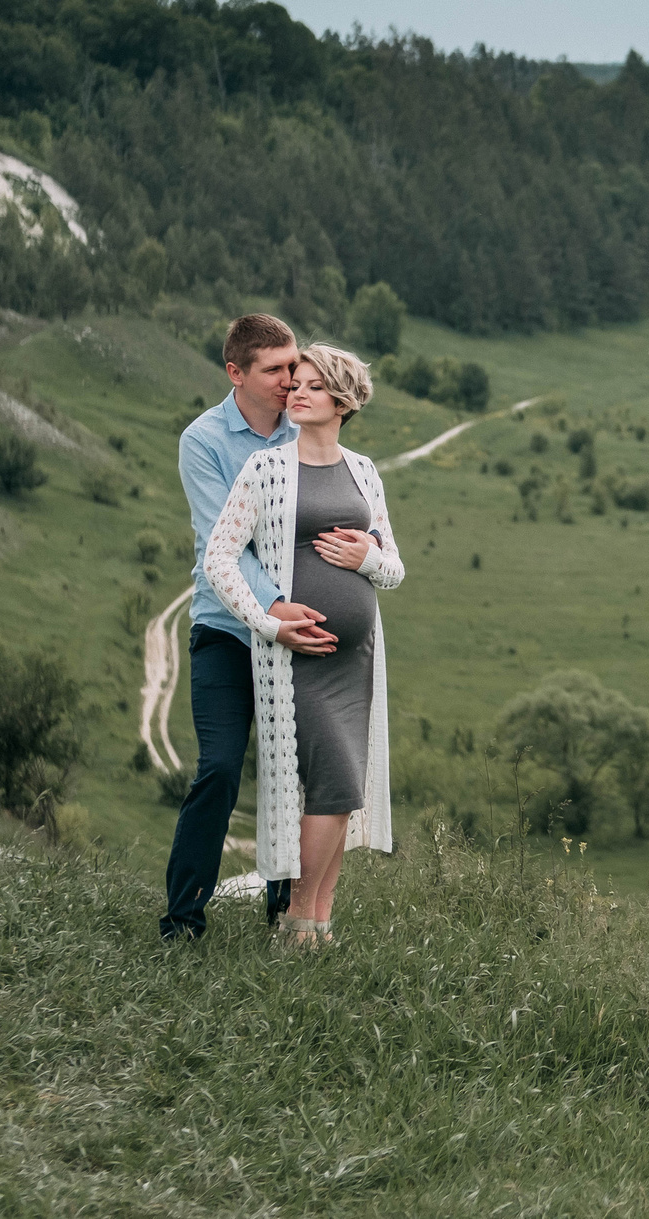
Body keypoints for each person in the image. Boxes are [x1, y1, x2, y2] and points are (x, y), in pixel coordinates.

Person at [202, 342, 402, 941]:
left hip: (357, 661)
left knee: (343, 787)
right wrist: (269, 623)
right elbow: (220, 558)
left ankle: (319, 921)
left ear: (341, 400)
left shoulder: (364, 471)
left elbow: (394, 567)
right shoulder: (266, 470)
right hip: (299, 659)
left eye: (313, 385)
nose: (297, 392)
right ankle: (295, 919)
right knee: (330, 780)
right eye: (296, 383)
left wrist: (369, 557)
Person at [158, 313, 338, 942]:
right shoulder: (203, 441)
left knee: (293, 770)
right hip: (227, 627)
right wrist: (273, 608)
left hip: (299, 626)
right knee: (220, 768)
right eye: (277, 369)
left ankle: (284, 917)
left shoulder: (304, 430)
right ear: (236, 373)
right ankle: (182, 920)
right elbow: (220, 545)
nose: (293, 380)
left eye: (295, 365)